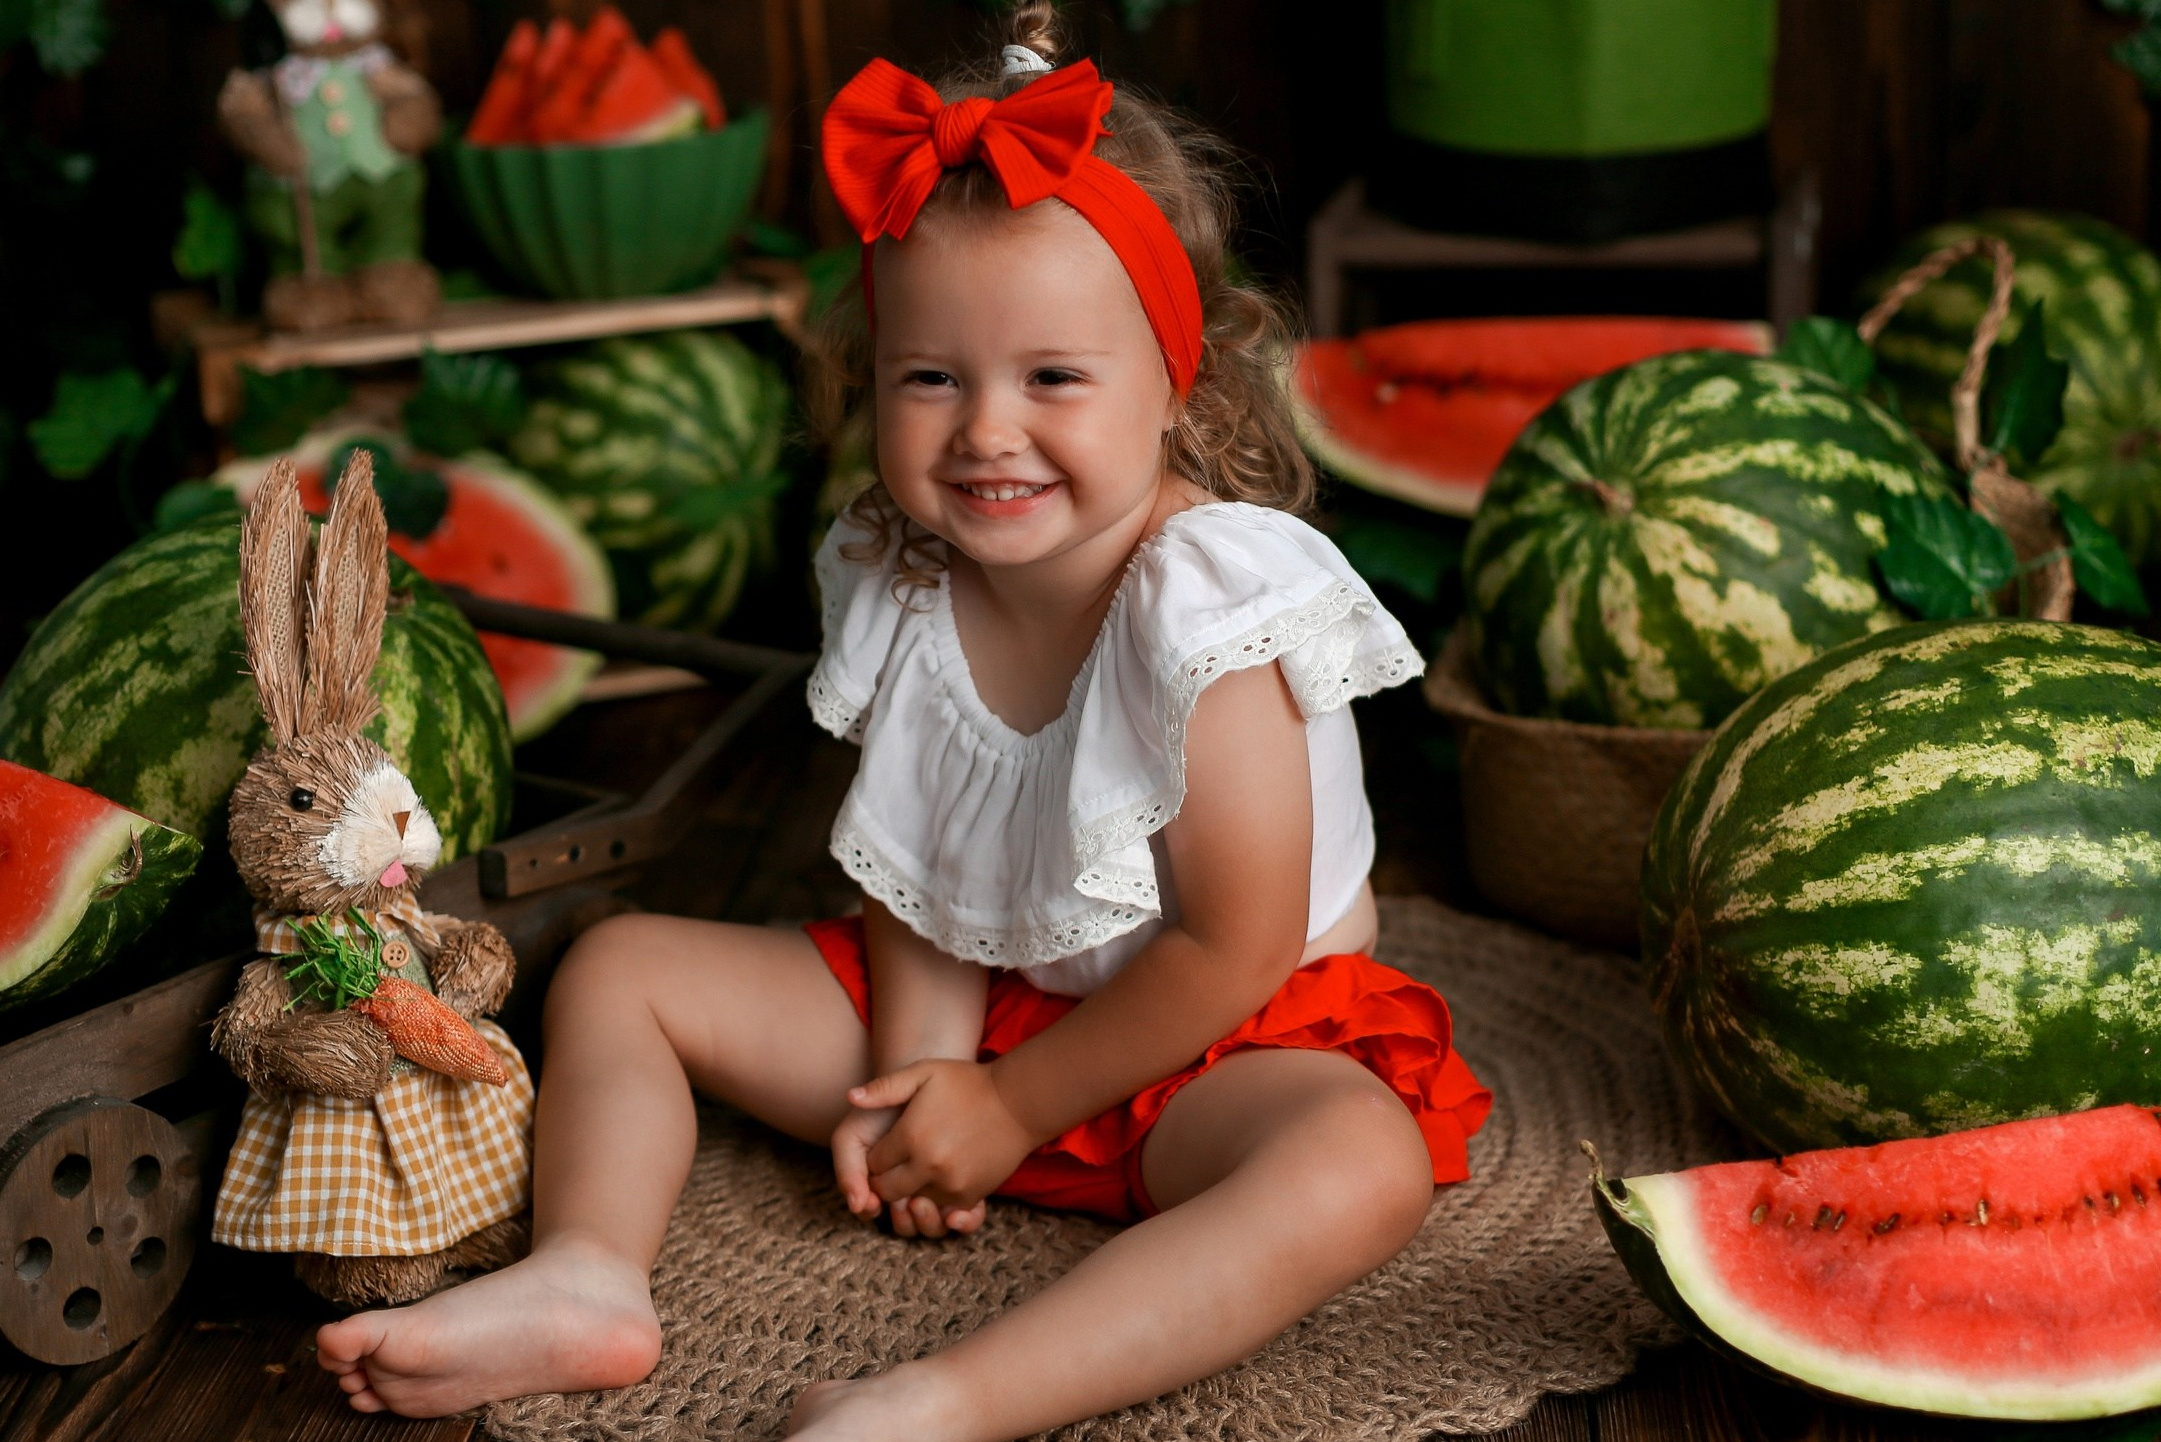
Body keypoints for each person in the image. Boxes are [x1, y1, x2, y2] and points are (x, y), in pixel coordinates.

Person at [314, 5, 1491, 1433]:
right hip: (992, 997)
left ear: (1172, 382)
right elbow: (918, 856)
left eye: (1053, 378)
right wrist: (917, 1078)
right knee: (624, 967)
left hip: (1221, 1040)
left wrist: (1003, 1112)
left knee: (1351, 1162)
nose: (986, 430)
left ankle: (947, 1399)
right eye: (931, 378)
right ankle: (588, 1274)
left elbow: (1227, 942)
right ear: (871, 379)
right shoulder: (901, 572)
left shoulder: (1208, 601)